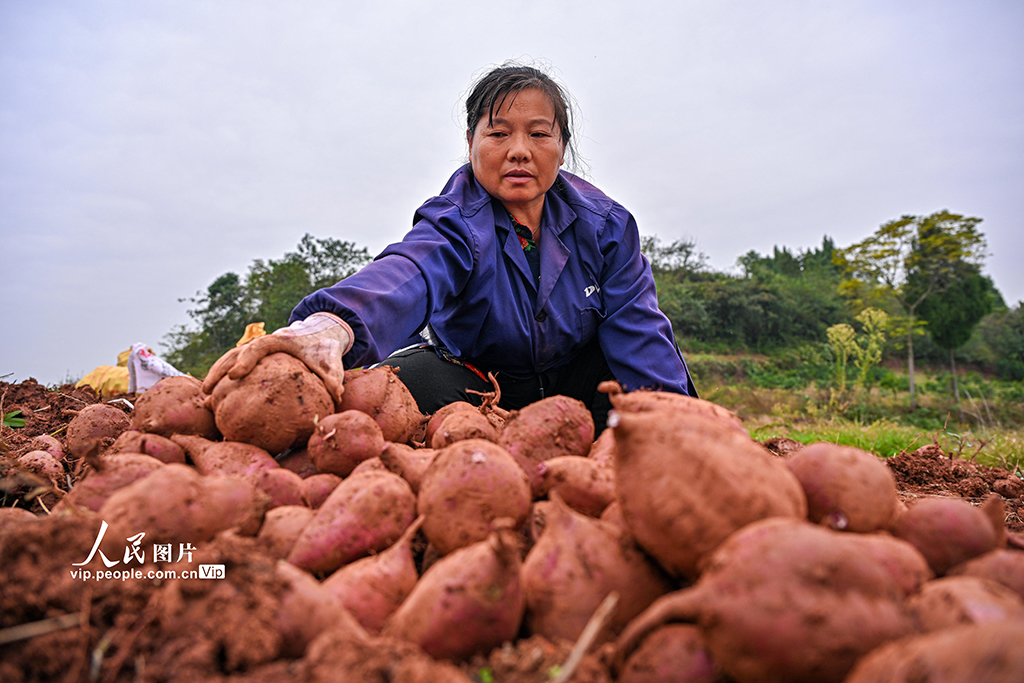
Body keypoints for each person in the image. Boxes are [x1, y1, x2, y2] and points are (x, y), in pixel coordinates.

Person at [203, 62, 696, 432]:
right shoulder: (457, 218)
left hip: (576, 383)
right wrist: (330, 327)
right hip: (483, 387)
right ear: (471, 141)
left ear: (561, 147)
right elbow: (411, 269)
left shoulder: (605, 225)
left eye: (538, 134)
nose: (519, 149)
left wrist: (679, 427)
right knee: (398, 384)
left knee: (647, 372)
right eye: (498, 133)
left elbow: (637, 327)